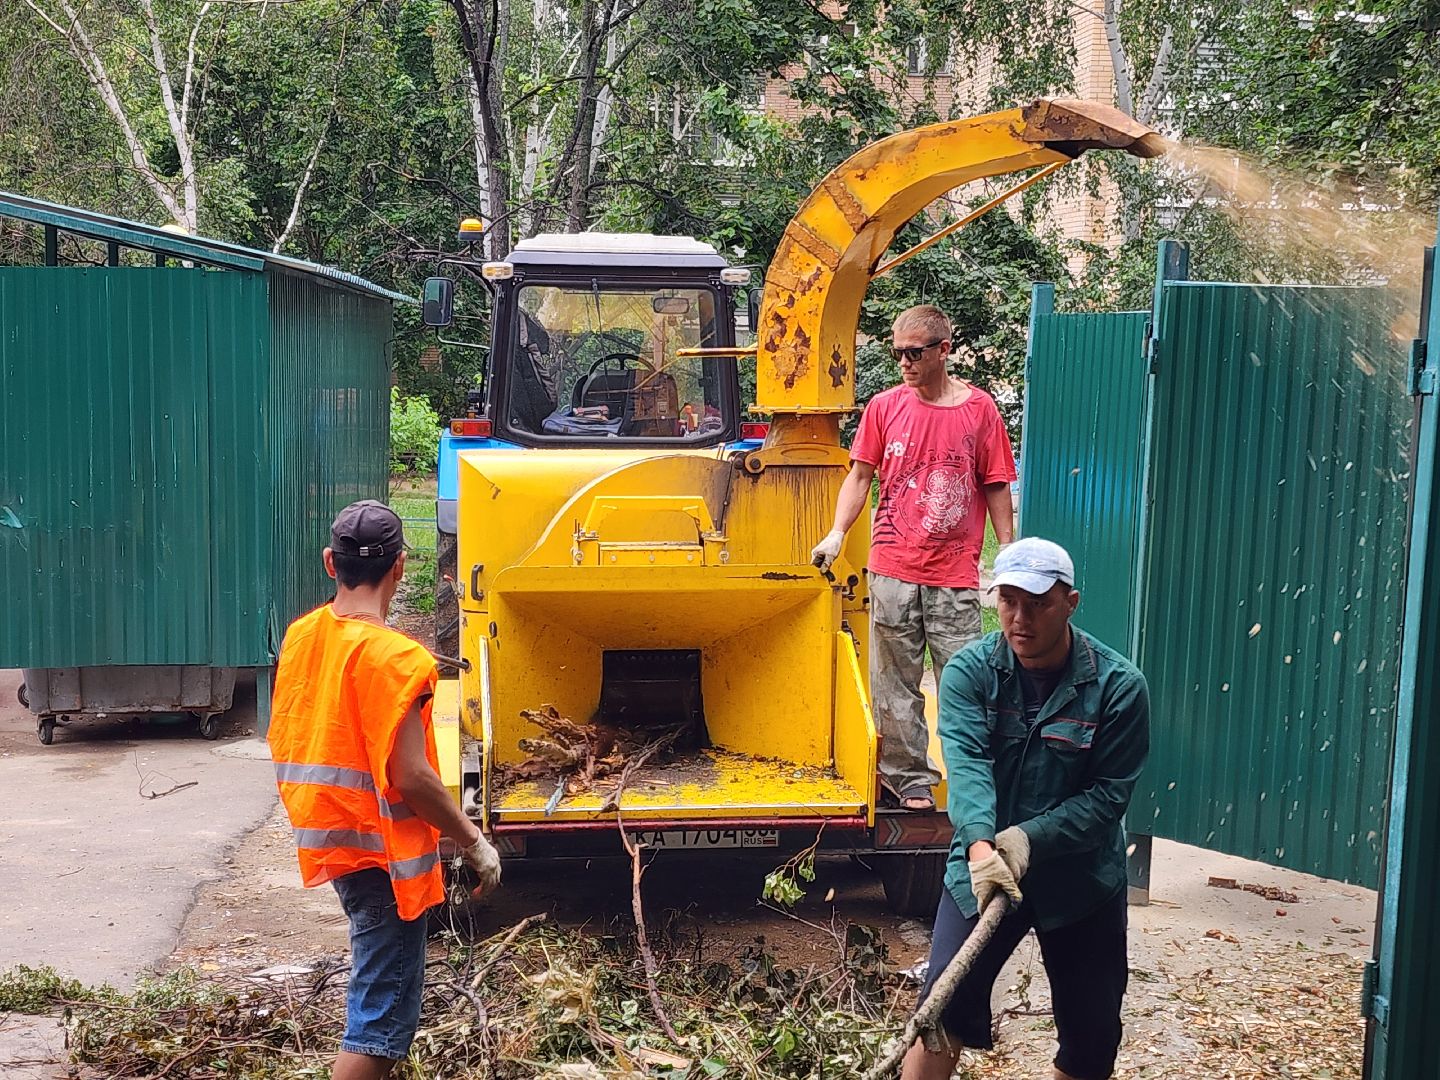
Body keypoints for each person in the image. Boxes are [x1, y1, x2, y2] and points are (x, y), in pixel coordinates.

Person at [268, 500, 502, 1080]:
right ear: (400, 567)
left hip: (335, 840)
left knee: (376, 998)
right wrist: (472, 841)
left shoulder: (303, 636)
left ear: (330, 563)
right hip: (383, 854)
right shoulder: (398, 659)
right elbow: (412, 776)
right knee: (380, 1025)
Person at [902, 537, 1151, 1080]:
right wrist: (983, 846)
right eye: (1009, 600)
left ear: (1071, 602)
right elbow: (966, 765)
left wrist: (1027, 841)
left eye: (1037, 602)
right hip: (982, 867)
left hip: (1079, 879)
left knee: (1092, 1036)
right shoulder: (970, 672)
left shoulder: (1118, 687)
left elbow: (1108, 797)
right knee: (940, 1009)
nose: (1020, 618)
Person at [811, 304, 1016, 812]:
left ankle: (971, 777)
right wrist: (836, 532)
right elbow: (860, 476)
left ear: (943, 350)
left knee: (964, 681)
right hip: (893, 567)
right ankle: (909, 780)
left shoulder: (979, 411)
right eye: (897, 351)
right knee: (894, 682)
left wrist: (1007, 550)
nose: (904, 361)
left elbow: (995, 483)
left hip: (953, 572)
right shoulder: (884, 407)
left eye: (914, 352)